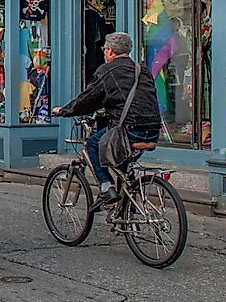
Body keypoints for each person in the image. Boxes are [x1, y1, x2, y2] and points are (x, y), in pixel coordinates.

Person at [53, 32, 160, 207]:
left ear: (110, 50)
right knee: (122, 161)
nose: (104, 53)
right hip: (153, 129)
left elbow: (87, 99)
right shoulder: (142, 70)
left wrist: (64, 111)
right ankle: (128, 211)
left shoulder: (107, 70)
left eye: (104, 49)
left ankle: (106, 187)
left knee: (92, 144)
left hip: (130, 130)